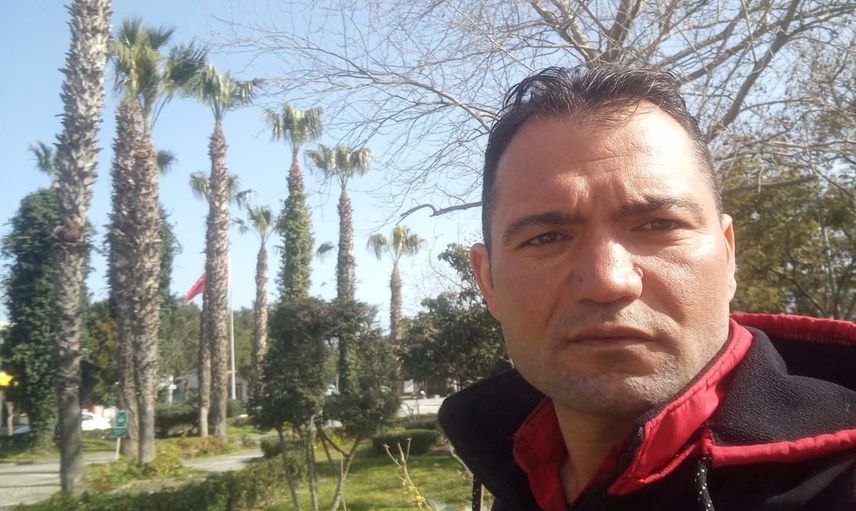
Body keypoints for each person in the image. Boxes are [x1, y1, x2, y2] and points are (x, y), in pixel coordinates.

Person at [438, 66, 856, 511]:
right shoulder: (519, 474)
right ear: (488, 281)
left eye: (659, 225)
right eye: (547, 238)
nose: (609, 281)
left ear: (728, 255)